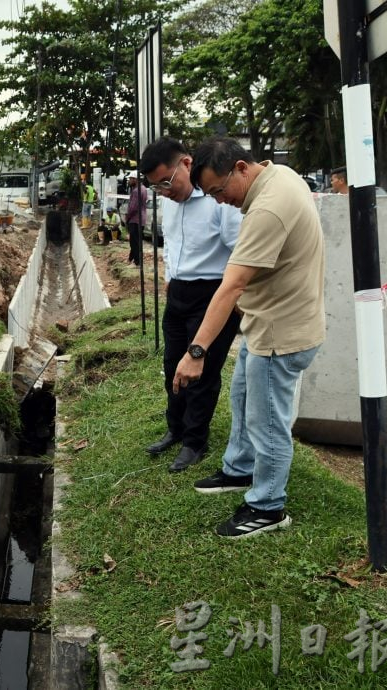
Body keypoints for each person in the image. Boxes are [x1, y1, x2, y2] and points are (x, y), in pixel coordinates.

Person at [177, 136, 325, 538]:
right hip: (267, 324)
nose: (220, 201)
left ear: (241, 168)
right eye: (210, 195)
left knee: (268, 422)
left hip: (281, 333)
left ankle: (268, 506)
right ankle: (239, 469)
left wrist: (196, 351)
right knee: (243, 396)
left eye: (219, 191)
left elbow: (231, 285)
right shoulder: (279, 176)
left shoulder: (269, 208)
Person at [139, 137, 243, 473]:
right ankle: (177, 428)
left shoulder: (218, 200)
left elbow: (238, 250)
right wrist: (171, 273)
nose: (164, 191)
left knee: (201, 372)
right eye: (156, 187)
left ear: (186, 163)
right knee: (172, 365)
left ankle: (195, 441)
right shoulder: (169, 202)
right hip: (179, 293)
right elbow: (170, 241)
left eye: (167, 182)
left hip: (212, 294)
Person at [125, 170, 148, 266]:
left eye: (130, 179)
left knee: (134, 243)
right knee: (136, 241)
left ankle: (137, 262)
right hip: (141, 219)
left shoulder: (136, 191)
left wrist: (127, 217)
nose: (129, 181)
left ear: (135, 179)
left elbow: (133, 207)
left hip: (135, 219)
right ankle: (131, 259)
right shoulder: (143, 189)